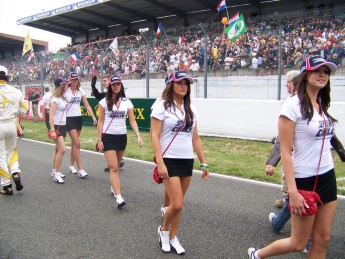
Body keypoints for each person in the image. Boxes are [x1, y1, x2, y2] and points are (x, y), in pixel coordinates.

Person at [248, 56, 339, 259]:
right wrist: (293, 192)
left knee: (322, 239)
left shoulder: (320, 103)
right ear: (305, 75)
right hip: (304, 180)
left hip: (327, 177)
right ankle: (257, 254)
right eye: (317, 70)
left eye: (326, 71)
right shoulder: (291, 106)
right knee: (298, 243)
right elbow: (285, 152)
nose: (322, 74)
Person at [151, 71, 209, 255]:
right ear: (170, 85)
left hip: (187, 159)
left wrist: (203, 162)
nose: (184, 86)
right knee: (176, 204)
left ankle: (173, 236)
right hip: (169, 159)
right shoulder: (161, 106)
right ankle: (163, 231)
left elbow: (196, 139)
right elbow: (154, 135)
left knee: (179, 204)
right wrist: (160, 162)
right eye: (180, 83)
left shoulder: (191, 109)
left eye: (186, 83)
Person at [96, 75, 143, 208]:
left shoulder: (127, 101)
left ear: (121, 86)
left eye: (118, 84)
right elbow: (100, 121)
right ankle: (119, 196)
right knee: (114, 167)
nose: (116, 86)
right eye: (114, 84)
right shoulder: (104, 101)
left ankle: (113, 187)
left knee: (116, 164)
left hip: (122, 136)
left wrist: (138, 135)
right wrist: (99, 139)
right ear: (110, 86)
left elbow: (132, 120)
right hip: (108, 136)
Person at [265, 70, 300, 208]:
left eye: (288, 82)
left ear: (295, 83)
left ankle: (287, 202)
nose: (286, 85)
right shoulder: (312, 99)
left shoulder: (291, 104)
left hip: (295, 153)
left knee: (288, 175)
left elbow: (283, 137)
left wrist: (271, 162)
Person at [0, 65, 28, 195]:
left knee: (1, 156)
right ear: (7, 77)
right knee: (12, 152)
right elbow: (24, 109)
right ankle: (15, 172)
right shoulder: (16, 91)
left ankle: (7, 186)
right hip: (11, 124)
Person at [65, 72, 97, 178]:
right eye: (73, 79)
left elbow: (87, 105)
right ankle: (80, 169)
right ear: (70, 80)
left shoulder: (80, 91)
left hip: (78, 118)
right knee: (77, 143)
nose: (74, 81)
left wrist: (93, 117)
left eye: (76, 79)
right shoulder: (65, 91)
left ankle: (71, 165)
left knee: (75, 144)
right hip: (68, 119)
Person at [91, 74, 125, 171]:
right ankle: (113, 162)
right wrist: (93, 87)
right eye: (102, 81)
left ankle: (116, 162)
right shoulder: (105, 96)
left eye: (105, 81)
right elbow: (98, 96)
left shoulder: (119, 95)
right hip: (106, 126)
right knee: (104, 146)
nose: (104, 83)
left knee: (110, 147)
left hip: (117, 129)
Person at [49, 77, 70, 184]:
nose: (67, 86)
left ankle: (55, 171)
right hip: (56, 126)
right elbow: (51, 115)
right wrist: (52, 130)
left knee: (57, 150)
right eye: (66, 84)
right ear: (61, 85)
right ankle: (57, 174)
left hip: (63, 125)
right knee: (62, 149)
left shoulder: (62, 98)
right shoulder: (55, 99)